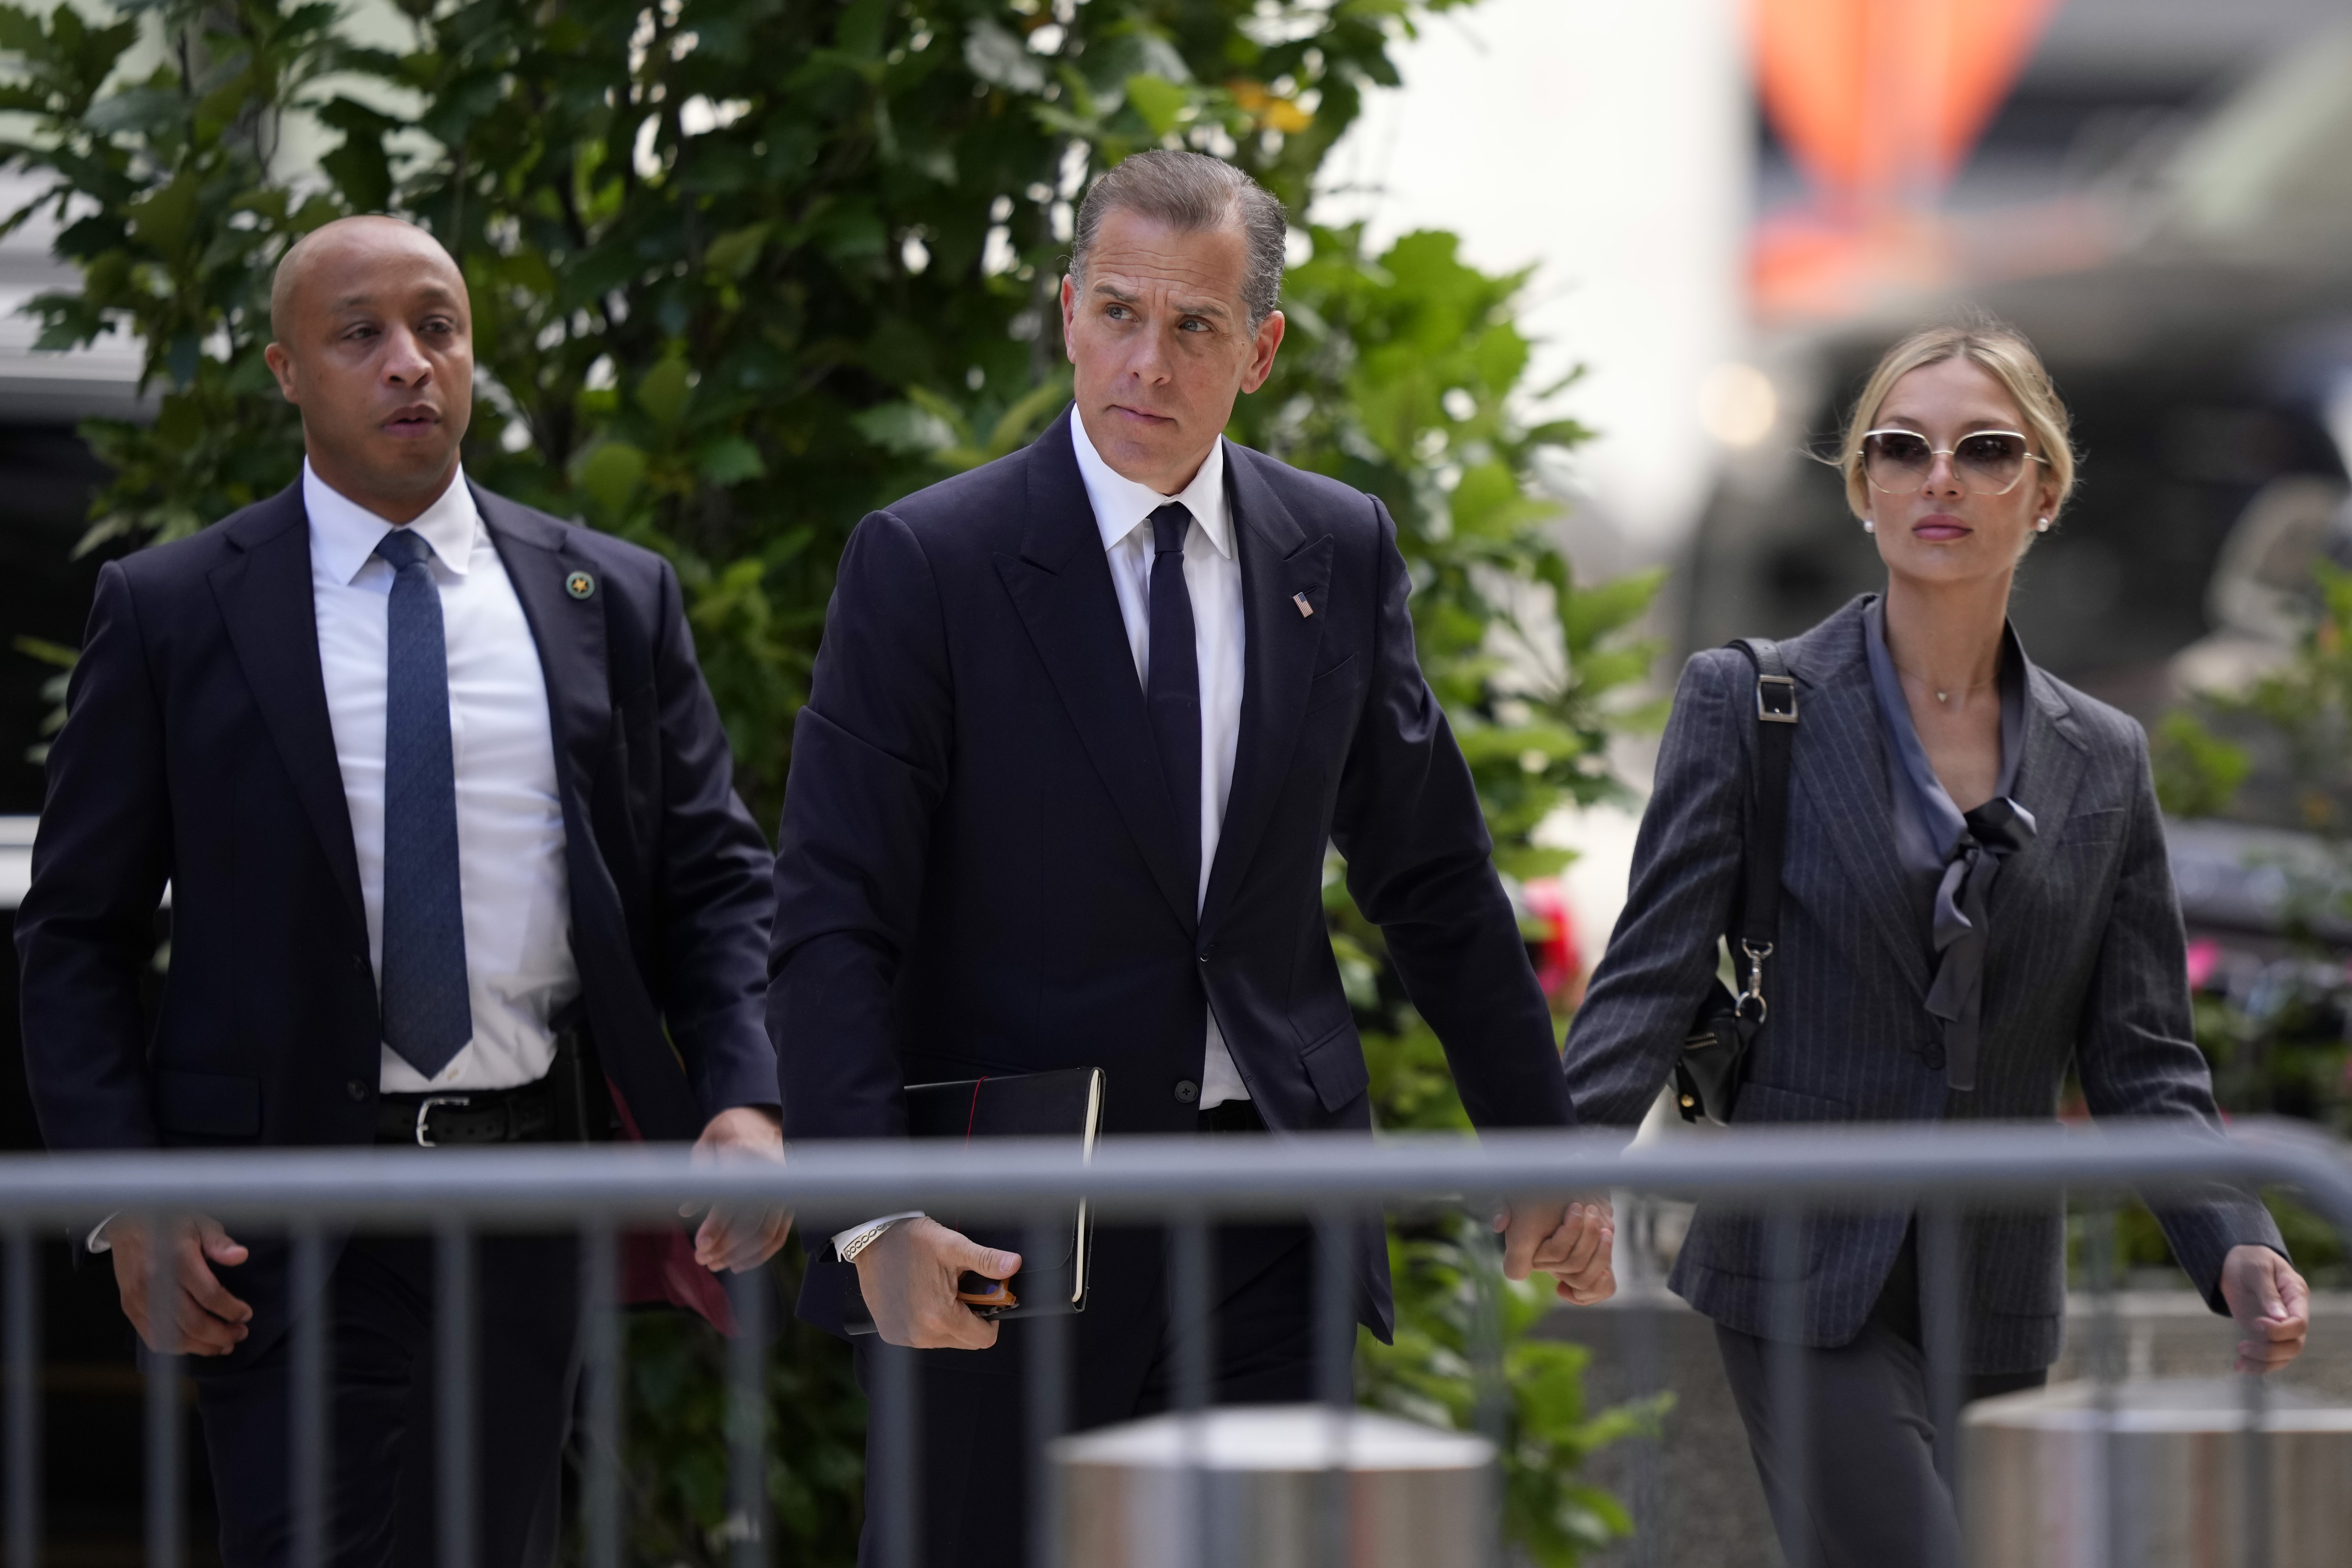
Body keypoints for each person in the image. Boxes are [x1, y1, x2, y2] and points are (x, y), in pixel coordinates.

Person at [767, 149, 1617, 1565]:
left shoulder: (1333, 550)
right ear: (1068, 313)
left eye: (1195, 327)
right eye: (1117, 312)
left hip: (1266, 1214)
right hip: (1008, 1228)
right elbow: (831, 913)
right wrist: (871, 1213)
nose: (1146, 362)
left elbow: (1431, 875)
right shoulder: (929, 562)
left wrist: (1537, 1142)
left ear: (1261, 350)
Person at [15, 215, 789, 1568]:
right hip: (290, 1208)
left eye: (438, 326)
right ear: (285, 371)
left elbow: (715, 884)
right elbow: (76, 933)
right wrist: (123, 1190)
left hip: (525, 1198)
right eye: (359, 334)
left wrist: (741, 1095)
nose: (408, 363)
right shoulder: (175, 609)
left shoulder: (606, 597)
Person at [1560, 320, 2311, 1568]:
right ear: (1861, 490)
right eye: (1901, 451)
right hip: (1797, 1261)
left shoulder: (2105, 761)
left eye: (1985, 451)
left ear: (2046, 491)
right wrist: (1563, 1164)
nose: (1940, 480)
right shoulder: (1748, 702)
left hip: (1995, 1291)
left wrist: (2234, 1239)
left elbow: (2141, 1060)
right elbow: (1649, 972)